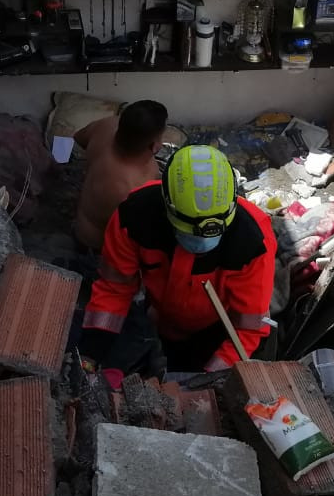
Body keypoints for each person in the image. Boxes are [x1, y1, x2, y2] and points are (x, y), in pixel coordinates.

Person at [80, 144, 277, 375]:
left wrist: (210, 380)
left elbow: (248, 329)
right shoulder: (134, 217)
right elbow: (114, 288)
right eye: (190, 233)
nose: (201, 244)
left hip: (214, 330)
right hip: (160, 318)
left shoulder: (252, 243)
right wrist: (91, 353)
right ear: (168, 207)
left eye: (210, 234)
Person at [73, 100, 168, 252]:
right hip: (96, 247)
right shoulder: (129, 190)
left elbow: (77, 138)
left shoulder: (107, 126)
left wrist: (58, 161)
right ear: (155, 146)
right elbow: (145, 237)